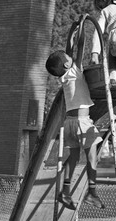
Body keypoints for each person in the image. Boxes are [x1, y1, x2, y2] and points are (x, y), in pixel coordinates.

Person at [45, 25, 105, 210]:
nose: (73, 58)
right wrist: (81, 30)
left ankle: (65, 191)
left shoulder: (64, 76)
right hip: (81, 122)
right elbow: (79, 47)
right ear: (67, 64)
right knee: (93, 157)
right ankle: (92, 193)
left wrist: (73, 29)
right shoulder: (74, 70)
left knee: (73, 157)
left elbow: (70, 49)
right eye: (69, 58)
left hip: (69, 123)